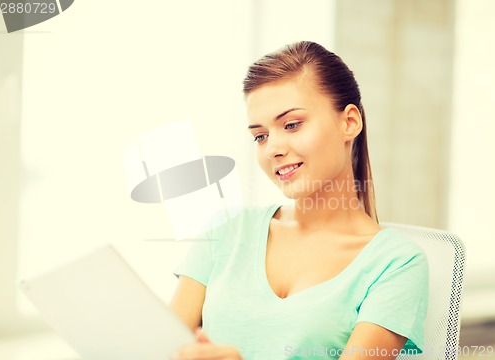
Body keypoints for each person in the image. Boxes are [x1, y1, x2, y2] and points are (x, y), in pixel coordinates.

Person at [169, 41, 429, 360]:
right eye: (260, 135)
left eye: (291, 125)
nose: (272, 149)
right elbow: (164, 349)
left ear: (349, 122)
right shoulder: (225, 231)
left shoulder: (396, 264)